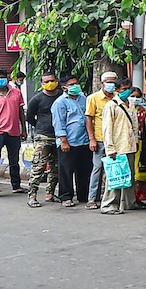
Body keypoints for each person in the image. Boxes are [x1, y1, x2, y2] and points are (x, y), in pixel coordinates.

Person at [0, 67, 27, 198]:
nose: (0, 80)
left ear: (7, 78)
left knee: (14, 160)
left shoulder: (16, 93)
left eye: (2, 77)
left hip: (14, 131)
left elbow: (21, 112)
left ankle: (16, 186)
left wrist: (24, 129)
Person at [99, 78, 139, 214]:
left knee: (129, 176)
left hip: (130, 145)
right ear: (117, 90)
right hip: (117, 146)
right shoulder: (111, 105)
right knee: (115, 177)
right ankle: (109, 205)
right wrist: (110, 148)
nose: (127, 91)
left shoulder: (131, 104)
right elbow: (107, 129)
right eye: (124, 89)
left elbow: (134, 124)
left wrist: (136, 141)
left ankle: (128, 203)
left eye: (128, 88)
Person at [51, 74, 91, 207]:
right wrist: (63, 141)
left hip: (84, 140)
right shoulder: (60, 103)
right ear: (64, 88)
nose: (75, 86)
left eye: (76, 83)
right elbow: (59, 123)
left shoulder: (83, 99)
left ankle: (83, 195)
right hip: (68, 141)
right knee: (66, 171)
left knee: (84, 170)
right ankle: (66, 196)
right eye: (71, 85)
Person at [25, 73, 61, 207]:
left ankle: (50, 194)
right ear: (41, 84)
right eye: (46, 81)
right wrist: (40, 126)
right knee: (38, 167)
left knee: (56, 167)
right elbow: (29, 117)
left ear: (57, 81)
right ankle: (32, 196)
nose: (50, 83)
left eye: (52, 80)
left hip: (59, 136)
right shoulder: (37, 99)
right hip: (42, 136)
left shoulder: (62, 96)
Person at [85, 71, 118, 209]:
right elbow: (89, 119)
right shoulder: (93, 98)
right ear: (102, 83)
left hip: (115, 140)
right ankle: (92, 198)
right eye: (108, 82)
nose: (111, 85)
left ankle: (111, 198)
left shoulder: (118, 98)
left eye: (113, 82)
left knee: (114, 169)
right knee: (97, 168)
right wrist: (92, 139)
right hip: (100, 139)